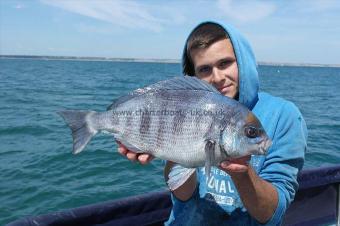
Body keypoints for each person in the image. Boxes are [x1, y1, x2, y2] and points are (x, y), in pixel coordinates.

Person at [118, 21, 307, 226]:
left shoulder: (284, 115)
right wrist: (168, 151)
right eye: (205, 69)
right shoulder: (184, 107)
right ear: (194, 75)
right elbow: (183, 195)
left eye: (225, 63)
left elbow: (271, 214)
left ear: (243, 62)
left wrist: (242, 172)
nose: (217, 77)